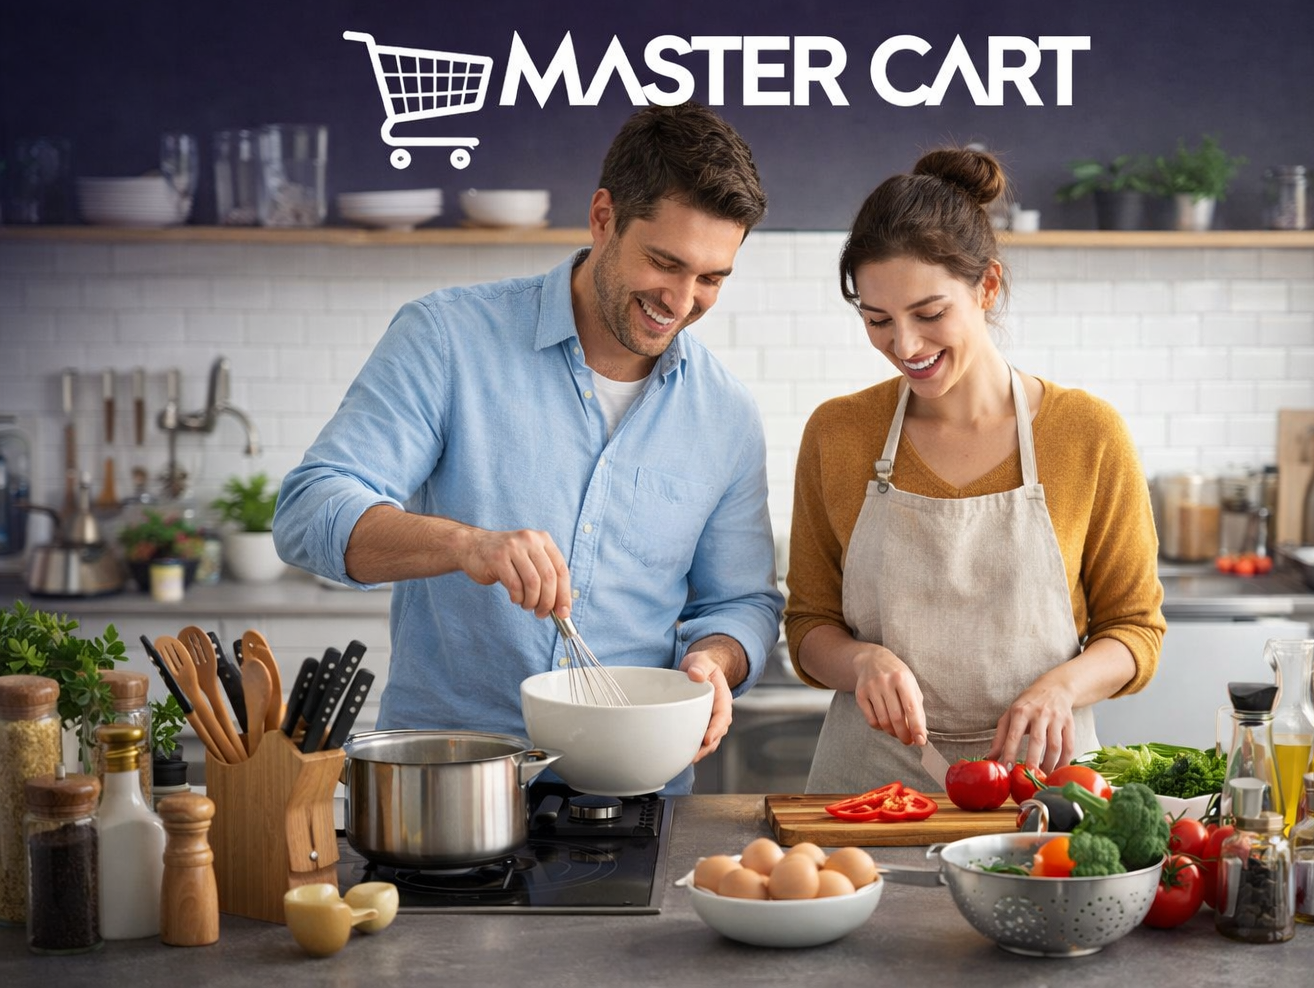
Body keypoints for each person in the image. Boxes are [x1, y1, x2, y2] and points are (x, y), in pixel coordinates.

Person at [274, 103, 784, 794]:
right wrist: (466, 546)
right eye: (665, 262)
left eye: (713, 278)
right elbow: (309, 512)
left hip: (632, 795)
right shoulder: (447, 338)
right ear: (603, 217)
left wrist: (714, 663)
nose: (683, 300)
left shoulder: (724, 415)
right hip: (449, 780)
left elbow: (742, 602)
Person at [786, 147, 1165, 792]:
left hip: (1045, 788)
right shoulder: (839, 433)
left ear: (987, 287)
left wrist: (1062, 686)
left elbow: (1135, 631)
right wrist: (861, 662)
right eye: (878, 321)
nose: (904, 346)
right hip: (869, 786)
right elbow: (808, 625)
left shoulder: (1086, 434)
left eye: (930, 315)